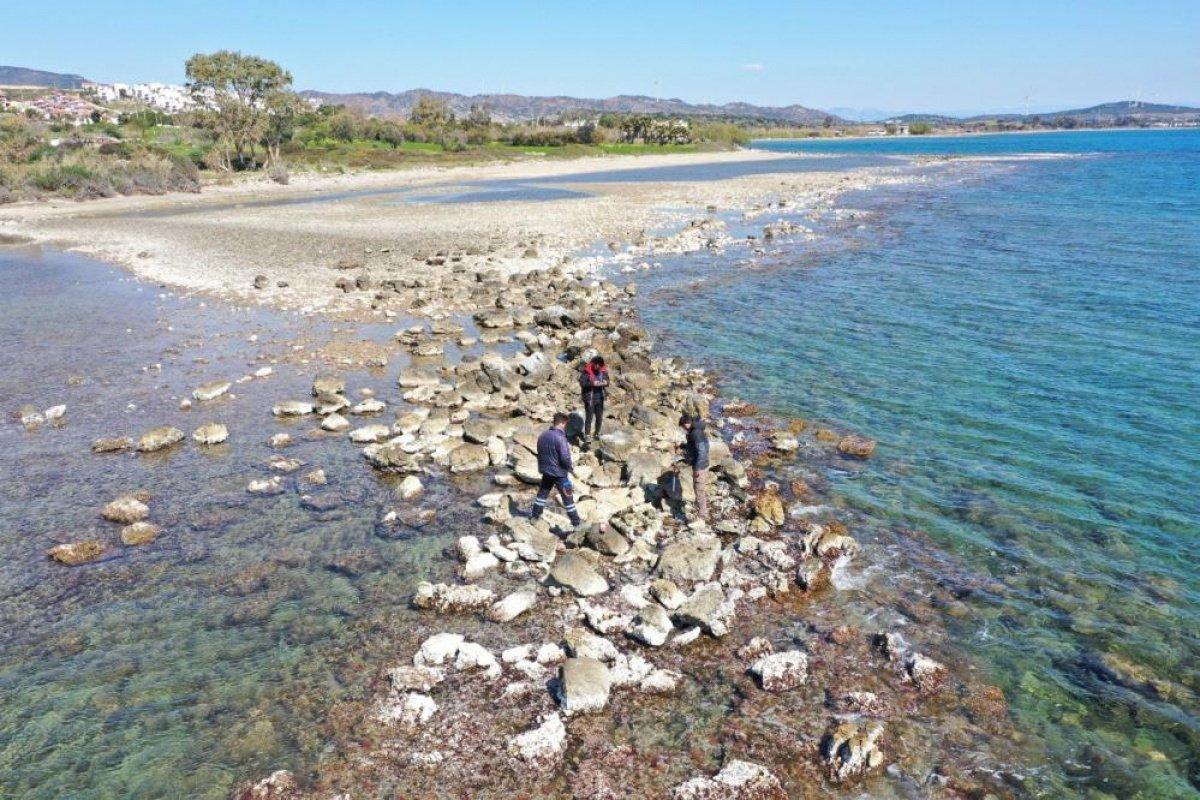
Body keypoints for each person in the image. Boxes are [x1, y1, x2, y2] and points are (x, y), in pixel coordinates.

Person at [531, 412, 582, 527]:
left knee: (542, 494)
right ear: (562, 423)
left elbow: (540, 452)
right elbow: (565, 457)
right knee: (568, 498)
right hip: (560, 474)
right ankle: (576, 523)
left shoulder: (543, 435)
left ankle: (535, 517)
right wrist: (570, 468)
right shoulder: (560, 437)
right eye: (565, 424)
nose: (565, 427)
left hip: (546, 471)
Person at [679, 413, 710, 522]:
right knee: (698, 488)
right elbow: (694, 447)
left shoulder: (695, 433)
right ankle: (701, 510)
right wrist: (682, 446)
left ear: (686, 423)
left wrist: (697, 468)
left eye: (683, 427)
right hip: (701, 464)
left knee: (699, 489)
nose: (683, 429)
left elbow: (702, 452)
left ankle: (702, 515)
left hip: (700, 466)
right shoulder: (696, 430)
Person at [578, 355, 610, 442]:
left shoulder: (603, 371)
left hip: (600, 397)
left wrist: (606, 382)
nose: (597, 366)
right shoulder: (587, 371)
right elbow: (582, 383)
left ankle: (597, 433)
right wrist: (592, 383)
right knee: (589, 416)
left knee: (599, 417)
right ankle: (587, 435)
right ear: (593, 363)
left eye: (599, 365)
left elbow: (608, 381)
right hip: (590, 398)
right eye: (596, 364)